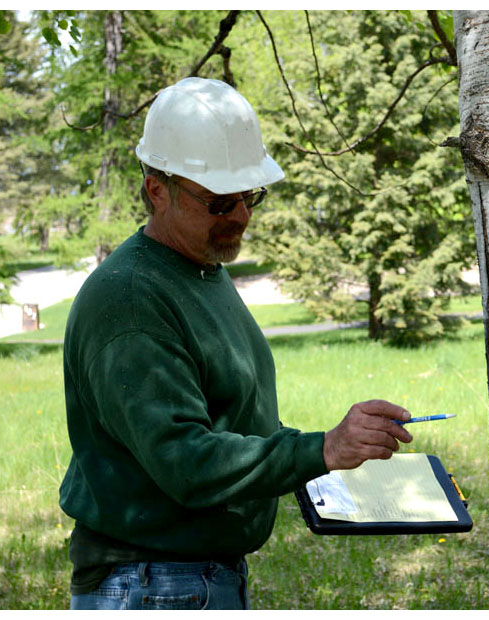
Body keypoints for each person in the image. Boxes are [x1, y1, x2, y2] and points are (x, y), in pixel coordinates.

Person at [59, 77, 413, 610]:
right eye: (221, 202)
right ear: (158, 190)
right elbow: (184, 460)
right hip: (152, 583)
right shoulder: (130, 300)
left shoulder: (200, 269)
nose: (242, 216)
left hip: (190, 576)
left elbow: (232, 422)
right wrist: (320, 448)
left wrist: (329, 453)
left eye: (250, 196)